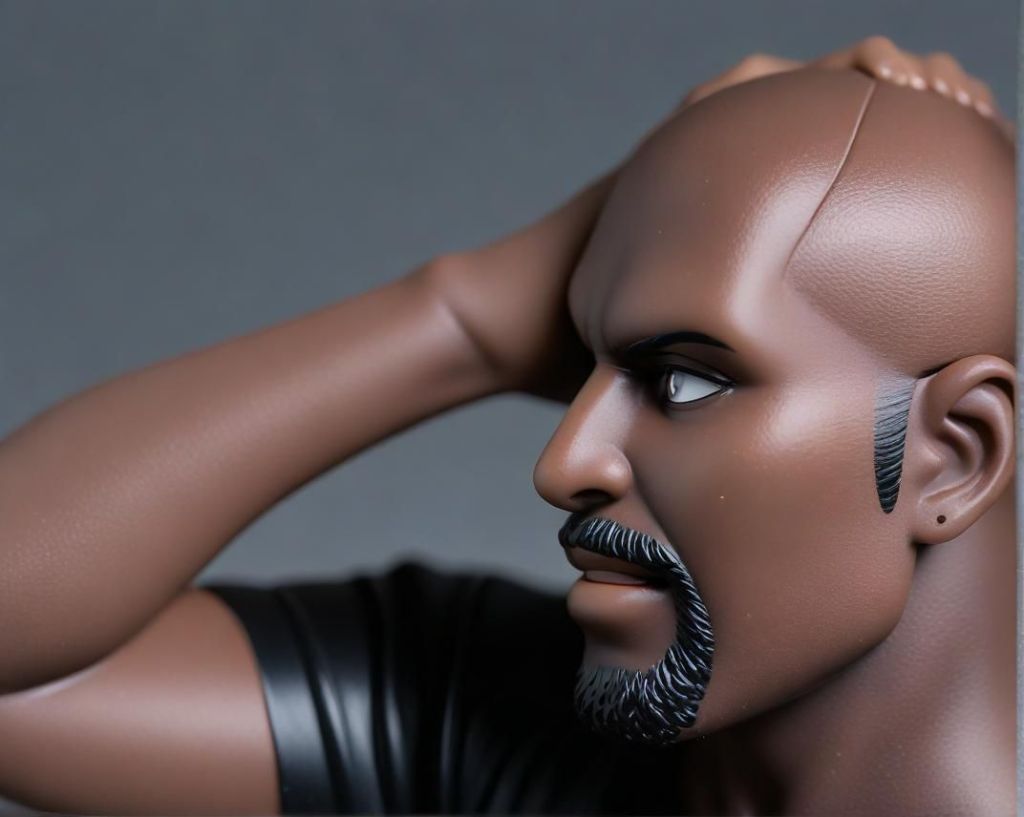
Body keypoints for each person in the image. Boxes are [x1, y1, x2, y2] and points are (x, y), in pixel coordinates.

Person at [0, 37, 1014, 816]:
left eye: (684, 381)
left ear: (953, 457)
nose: (564, 460)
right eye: (582, 359)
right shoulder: (494, 724)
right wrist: (472, 316)